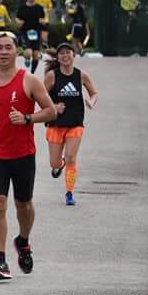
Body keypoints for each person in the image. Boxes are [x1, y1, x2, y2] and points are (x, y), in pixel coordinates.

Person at [0, 30, 56, 280]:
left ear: (17, 51)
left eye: (9, 47)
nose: (4, 52)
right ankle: (0, 259)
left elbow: (51, 111)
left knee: (23, 204)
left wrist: (28, 118)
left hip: (23, 153)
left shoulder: (29, 81)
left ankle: (23, 241)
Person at [44, 43, 98, 206]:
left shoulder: (81, 75)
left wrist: (91, 101)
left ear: (74, 55)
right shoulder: (52, 76)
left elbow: (94, 93)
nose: (65, 56)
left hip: (75, 123)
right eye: (62, 53)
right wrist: (54, 107)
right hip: (55, 124)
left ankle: (69, 192)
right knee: (54, 163)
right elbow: (40, 97)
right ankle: (59, 165)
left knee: (71, 157)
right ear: (58, 57)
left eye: (68, 52)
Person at [16, 0, 47, 74]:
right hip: (25, 32)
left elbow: (43, 19)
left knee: (36, 55)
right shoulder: (22, 8)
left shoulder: (39, 8)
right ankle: (26, 58)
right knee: (29, 53)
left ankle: (32, 73)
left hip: (37, 32)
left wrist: (43, 22)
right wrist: (19, 22)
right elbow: (17, 18)